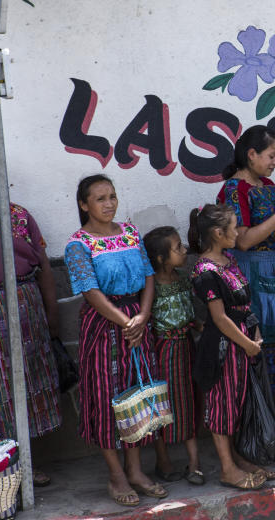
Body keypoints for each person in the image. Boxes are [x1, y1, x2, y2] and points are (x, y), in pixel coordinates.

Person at [63, 175, 166, 506]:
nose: (108, 204)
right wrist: (126, 322)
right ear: (84, 205)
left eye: (112, 197)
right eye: (100, 199)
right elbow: (90, 291)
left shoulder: (130, 233)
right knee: (108, 396)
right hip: (104, 324)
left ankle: (135, 469)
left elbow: (149, 275)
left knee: (136, 392)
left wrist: (144, 316)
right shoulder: (78, 244)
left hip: (137, 317)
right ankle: (116, 475)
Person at [0, 151, 61, 487]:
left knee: (29, 380)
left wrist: (52, 314)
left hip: (25, 306)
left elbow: (44, 267)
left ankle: (28, 462)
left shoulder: (16, 215)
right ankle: (0, 467)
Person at [217, 125, 275, 457]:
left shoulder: (267, 185)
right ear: (251, 154)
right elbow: (242, 239)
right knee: (259, 352)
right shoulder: (233, 189)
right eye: (271, 156)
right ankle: (258, 431)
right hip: (253, 276)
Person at [189, 204, 275, 490]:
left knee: (238, 401)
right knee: (222, 405)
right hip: (224, 347)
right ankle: (227, 468)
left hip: (245, 340)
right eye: (234, 227)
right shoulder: (205, 272)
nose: (238, 232)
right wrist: (248, 344)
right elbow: (219, 318)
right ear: (217, 232)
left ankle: (238, 457)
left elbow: (244, 305)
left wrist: (256, 335)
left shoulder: (228, 260)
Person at [143, 226, 204, 486]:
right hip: (163, 351)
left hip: (186, 347)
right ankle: (163, 460)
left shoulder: (182, 278)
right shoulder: (150, 285)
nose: (184, 250)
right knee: (161, 403)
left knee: (188, 399)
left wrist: (199, 325)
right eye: (178, 247)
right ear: (160, 258)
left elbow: (189, 312)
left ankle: (195, 462)